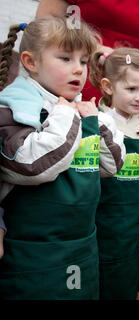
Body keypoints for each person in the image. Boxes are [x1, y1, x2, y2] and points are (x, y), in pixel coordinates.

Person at [0, 18, 126, 299]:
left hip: (81, 246)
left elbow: (111, 166)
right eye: (66, 58)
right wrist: (67, 115)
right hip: (32, 253)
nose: (79, 69)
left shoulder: (76, 109)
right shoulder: (12, 108)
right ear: (31, 62)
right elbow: (31, 166)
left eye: (84, 61)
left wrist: (97, 123)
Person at [89, 47, 139, 300]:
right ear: (107, 86)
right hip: (103, 218)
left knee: (124, 280)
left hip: (132, 222)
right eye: (131, 89)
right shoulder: (96, 121)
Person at [36, 0, 139, 101]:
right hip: (69, 77)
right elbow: (47, 19)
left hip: (119, 90)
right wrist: (94, 48)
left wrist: (130, 60)